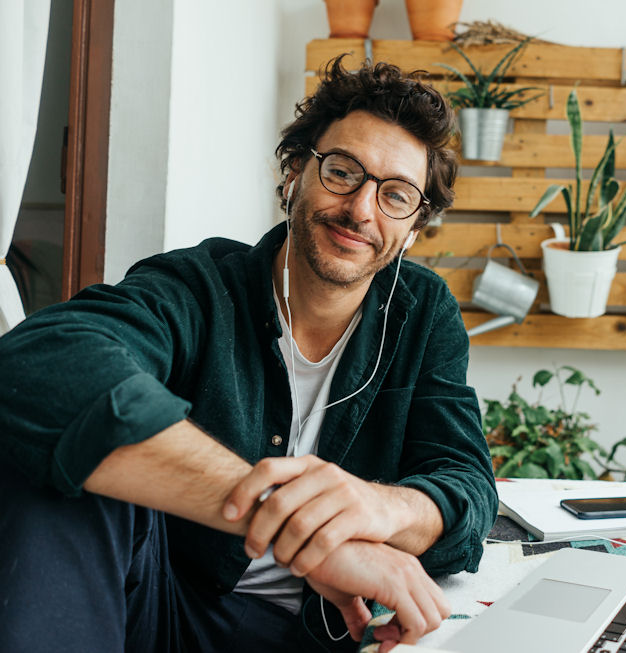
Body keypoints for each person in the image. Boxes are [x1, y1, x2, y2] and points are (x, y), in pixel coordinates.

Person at [0, 55, 498, 653]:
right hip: (169, 610)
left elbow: (466, 483)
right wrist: (295, 526)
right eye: (342, 172)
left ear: (414, 226)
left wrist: (383, 508)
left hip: (339, 634)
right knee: (60, 457)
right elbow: (42, 365)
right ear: (294, 174)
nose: (362, 210)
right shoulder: (198, 284)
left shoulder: (424, 313)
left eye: (396, 195)